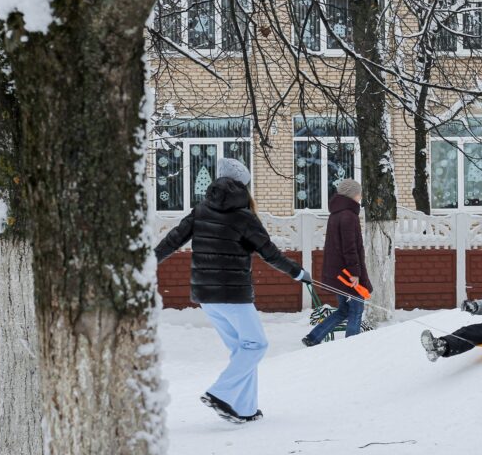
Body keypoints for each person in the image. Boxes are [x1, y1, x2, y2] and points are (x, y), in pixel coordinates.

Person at [155, 158, 311, 424]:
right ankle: (220, 393)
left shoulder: (201, 210)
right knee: (256, 345)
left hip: (206, 295)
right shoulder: (244, 216)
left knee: (243, 350)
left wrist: (146, 262)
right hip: (233, 296)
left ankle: (245, 408)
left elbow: (172, 240)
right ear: (244, 186)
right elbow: (270, 253)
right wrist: (298, 273)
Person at [302, 179, 371, 347]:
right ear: (352, 194)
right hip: (347, 273)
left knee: (344, 310)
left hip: (338, 272)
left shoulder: (336, 214)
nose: (360, 196)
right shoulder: (349, 216)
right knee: (356, 310)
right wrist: (355, 273)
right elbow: (349, 247)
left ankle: (313, 337)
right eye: (359, 193)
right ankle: (351, 346)